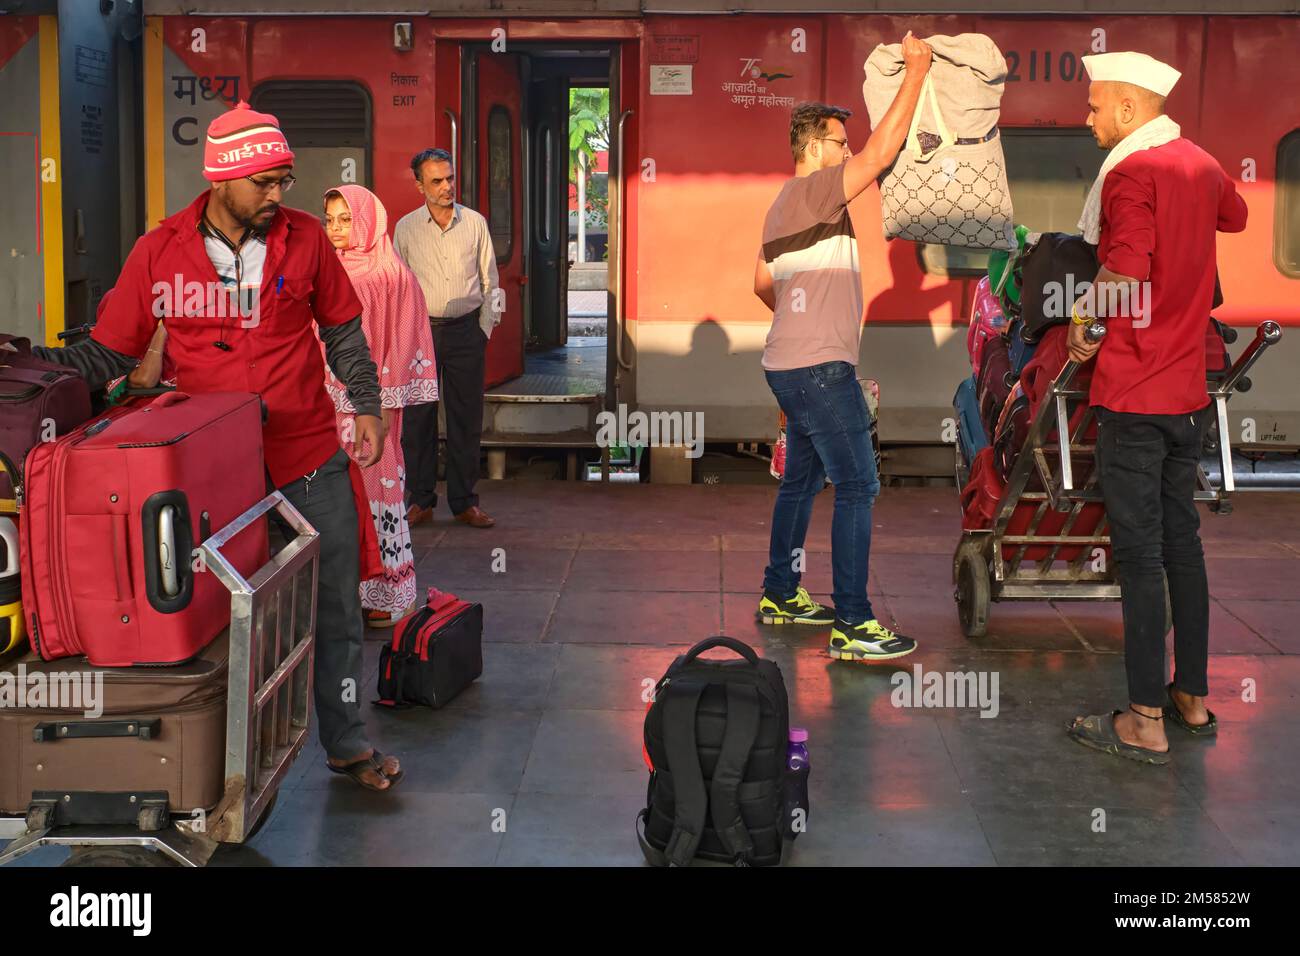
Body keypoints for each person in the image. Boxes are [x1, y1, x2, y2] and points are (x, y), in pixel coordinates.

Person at [35, 102, 405, 791]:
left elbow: (346, 331)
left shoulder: (305, 242)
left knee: (334, 606)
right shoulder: (161, 250)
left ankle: (347, 744)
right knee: (214, 613)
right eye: (265, 183)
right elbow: (110, 350)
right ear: (222, 180)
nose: (278, 196)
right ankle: (215, 766)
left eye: (284, 181)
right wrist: (33, 379)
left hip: (306, 454)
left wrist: (368, 404)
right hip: (208, 469)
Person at [1066, 52, 1248, 764]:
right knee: (1183, 547)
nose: (1087, 118)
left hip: (1136, 391)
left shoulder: (1134, 171)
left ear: (1131, 110)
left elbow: (1129, 267)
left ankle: (1142, 719)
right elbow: (1231, 214)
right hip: (1188, 395)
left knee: (1139, 557)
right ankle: (1190, 700)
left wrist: (1084, 320)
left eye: (1093, 106)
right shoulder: (1198, 163)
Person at [751, 32, 932, 662]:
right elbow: (884, 151)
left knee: (799, 485)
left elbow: (759, 284)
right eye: (838, 140)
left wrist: (804, 320)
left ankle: (780, 591)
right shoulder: (817, 188)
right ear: (812, 147)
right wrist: (917, 70)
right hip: (821, 372)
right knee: (858, 486)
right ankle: (853, 623)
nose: (847, 148)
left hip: (787, 366)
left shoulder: (781, 206)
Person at [322, 184, 439, 627]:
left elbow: (400, 344)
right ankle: (358, 591)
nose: (335, 229)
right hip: (329, 407)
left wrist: (384, 409)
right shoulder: (330, 269)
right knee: (343, 498)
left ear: (367, 221)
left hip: (371, 410)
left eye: (345, 219)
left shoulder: (390, 275)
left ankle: (392, 595)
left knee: (379, 491)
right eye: (330, 219)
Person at [394, 148, 500, 530]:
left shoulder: (474, 223)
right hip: (420, 333)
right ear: (420, 185)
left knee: (465, 417)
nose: (446, 187)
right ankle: (420, 500)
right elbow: (398, 287)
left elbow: (491, 282)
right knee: (417, 419)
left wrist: (483, 329)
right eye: (436, 181)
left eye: (450, 178)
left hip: (466, 331)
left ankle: (463, 502)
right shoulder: (405, 229)